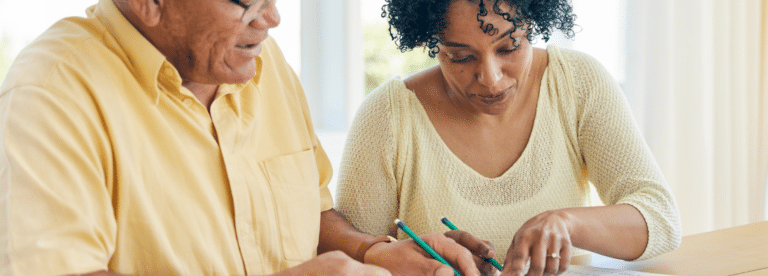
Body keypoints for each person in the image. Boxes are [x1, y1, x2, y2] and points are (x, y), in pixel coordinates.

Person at [0, 0, 478, 274]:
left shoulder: (268, 72)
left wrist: (375, 253)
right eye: (242, 1)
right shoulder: (51, 90)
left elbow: (309, 214)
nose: (270, 18)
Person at [335, 0, 683, 275]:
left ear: (534, 23)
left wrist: (566, 223)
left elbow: (661, 219)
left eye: (509, 47)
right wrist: (407, 259)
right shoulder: (387, 116)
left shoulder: (577, 83)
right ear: (430, 42)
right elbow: (348, 260)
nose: (490, 78)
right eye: (460, 56)